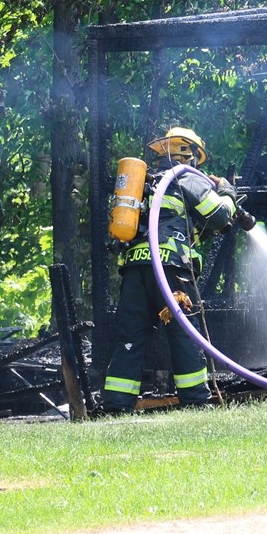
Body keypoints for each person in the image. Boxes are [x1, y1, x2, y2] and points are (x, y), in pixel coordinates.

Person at [102, 126, 237, 414]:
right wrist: (228, 193)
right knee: (184, 332)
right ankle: (196, 400)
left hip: (136, 268)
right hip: (171, 268)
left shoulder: (145, 182)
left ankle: (116, 404)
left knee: (131, 336)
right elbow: (219, 215)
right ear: (189, 153)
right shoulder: (186, 176)